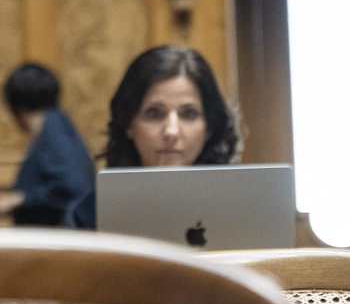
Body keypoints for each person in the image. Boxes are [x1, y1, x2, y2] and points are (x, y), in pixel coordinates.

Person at [66, 44, 241, 228]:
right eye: (154, 114)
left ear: (209, 128)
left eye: (188, 114)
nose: (171, 131)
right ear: (128, 124)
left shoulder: (241, 206)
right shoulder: (89, 214)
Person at [0, 63, 96, 226]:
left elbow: (75, 185)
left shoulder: (53, 130)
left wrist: (21, 199)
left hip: (58, 244)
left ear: (15, 104)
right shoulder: (56, 125)